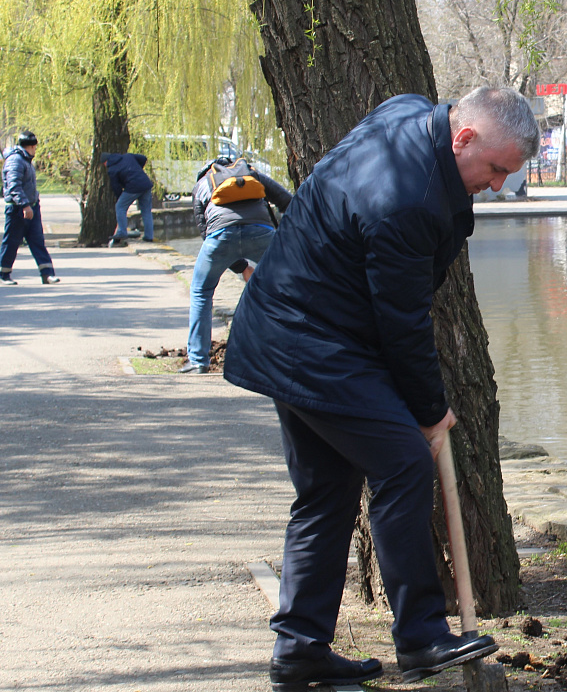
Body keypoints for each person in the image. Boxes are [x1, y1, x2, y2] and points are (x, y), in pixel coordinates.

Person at [223, 87, 538, 689]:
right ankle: (421, 637)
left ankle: (300, 651)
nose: (498, 186)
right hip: (309, 342)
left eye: (510, 175)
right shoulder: (409, 202)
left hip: (291, 327)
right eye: (496, 170)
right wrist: (430, 411)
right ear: (462, 137)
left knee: (326, 493)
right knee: (403, 467)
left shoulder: (407, 111)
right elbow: (403, 321)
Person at [179, 158, 293, 374]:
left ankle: (198, 360)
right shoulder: (251, 173)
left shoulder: (202, 184)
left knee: (201, 291)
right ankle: (288, 354)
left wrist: (241, 267)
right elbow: (288, 201)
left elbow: (205, 232)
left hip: (220, 236)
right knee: (288, 290)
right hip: (262, 234)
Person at [1, 131, 58, 285]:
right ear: (32, 146)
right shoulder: (15, 161)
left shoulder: (25, 160)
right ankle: (4, 274)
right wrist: (25, 205)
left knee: (37, 241)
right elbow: (14, 186)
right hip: (18, 209)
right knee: (12, 242)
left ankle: (47, 274)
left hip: (31, 207)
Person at [102, 151, 154, 247]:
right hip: (145, 183)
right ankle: (149, 236)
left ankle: (122, 231)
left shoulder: (112, 169)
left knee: (120, 207)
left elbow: (116, 186)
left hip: (133, 186)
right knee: (146, 211)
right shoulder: (128, 156)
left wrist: (120, 197)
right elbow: (143, 158)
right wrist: (138, 169)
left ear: (106, 162)